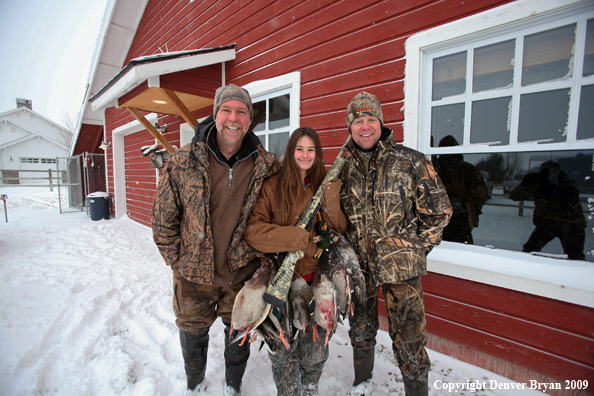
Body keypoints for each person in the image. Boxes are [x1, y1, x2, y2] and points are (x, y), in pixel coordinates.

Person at [151, 84, 280, 395]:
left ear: (250, 120)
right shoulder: (184, 161)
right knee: (192, 335)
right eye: (227, 110)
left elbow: (278, 216)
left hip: (243, 276)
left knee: (239, 335)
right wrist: (178, 263)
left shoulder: (267, 166)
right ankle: (194, 386)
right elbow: (162, 220)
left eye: (241, 112)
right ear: (215, 115)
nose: (233, 119)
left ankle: (232, 387)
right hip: (193, 275)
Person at [338, 92, 452, 396]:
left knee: (410, 338)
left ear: (381, 123)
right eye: (358, 121)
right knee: (360, 330)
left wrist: (414, 250)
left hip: (401, 270)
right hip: (359, 269)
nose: (365, 126)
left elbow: (440, 212)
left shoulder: (410, 161)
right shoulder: (343, 169)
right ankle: (363, 382)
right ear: (350, 127)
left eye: (371, 120)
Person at [243, 127, 347, 396]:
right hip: (282, 283)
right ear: (291, 151)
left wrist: (332, 196)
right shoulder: (273, 186)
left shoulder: (324, 183)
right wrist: (296, 238)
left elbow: (338, 229)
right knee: (282, 350)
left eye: (311, 149)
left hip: (316, 282)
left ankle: (311, 387)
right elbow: (254, 231)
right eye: (299, 149)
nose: (305, 155)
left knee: (315, 348)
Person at [510, 160, 586, 260]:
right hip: (547, 223)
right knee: (529, 249)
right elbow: (514, 195)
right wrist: (526, 184)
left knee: (575, 256)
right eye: (544, 171)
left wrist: (556, 186)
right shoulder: (539, 182)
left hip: (570, 224)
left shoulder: (566, 182)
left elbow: (571, 195)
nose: (548, 174)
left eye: (550, 171)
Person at [434, 135, 488, 244]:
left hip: (438, 218)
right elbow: (481, 195)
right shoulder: (468, 168)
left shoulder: (434, 168)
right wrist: (472, 211)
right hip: (461, 219)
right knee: (463, 252)